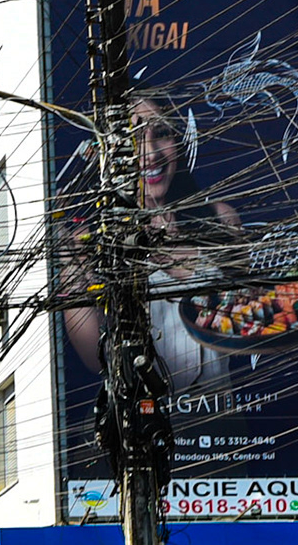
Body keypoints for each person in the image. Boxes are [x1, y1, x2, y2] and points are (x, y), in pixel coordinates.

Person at [63, 88, 244, 392]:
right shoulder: (91, 241)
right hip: (143, 428)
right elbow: (93, 357)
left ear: (178, 141)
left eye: (161, 133)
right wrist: (72, 262)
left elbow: (253, 322)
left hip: (221, 427)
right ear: (111, 154)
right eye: (133, 138)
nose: (150, 153)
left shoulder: (220, 219)